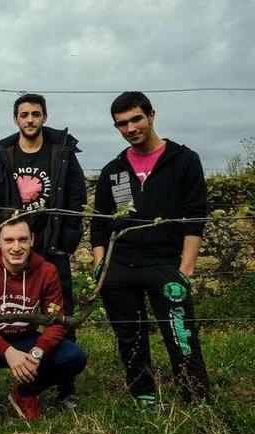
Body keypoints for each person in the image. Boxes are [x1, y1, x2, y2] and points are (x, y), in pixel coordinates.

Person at [91, 91, 210, 406]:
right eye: (121, 124)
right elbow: (99, 224)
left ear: (151, 115)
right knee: (129, 336)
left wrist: (186, 269)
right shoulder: (113, 170)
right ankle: (142, 393)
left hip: (165, 263)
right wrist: (101, 265)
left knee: (180, 334)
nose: (130, 128)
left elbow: (195, 218)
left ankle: (194, 395)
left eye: (136, 119)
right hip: (121, 267)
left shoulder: (184, 161)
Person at [0, 93, 87, 407]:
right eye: (24, 114)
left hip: (53, 248)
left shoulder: (63, 152)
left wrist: (67, 243)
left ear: (44, 116)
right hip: (16, 249)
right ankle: (12, 372)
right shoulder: (4, 156)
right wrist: (4, 242)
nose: (30, 120)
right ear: (15, 119)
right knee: (9, 315)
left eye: (35, 114)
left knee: (61, 317)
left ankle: (65, 389)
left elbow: (76, 202)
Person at [0, 217, 87, 421]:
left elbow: (56, 321)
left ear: (32, 239)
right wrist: (6, 350)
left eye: (22, 239)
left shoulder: (46, 271)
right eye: (9, 240)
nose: (16, 247)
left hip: (27, 340)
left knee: (74, 356)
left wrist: (37, 352)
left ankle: (25, 392)